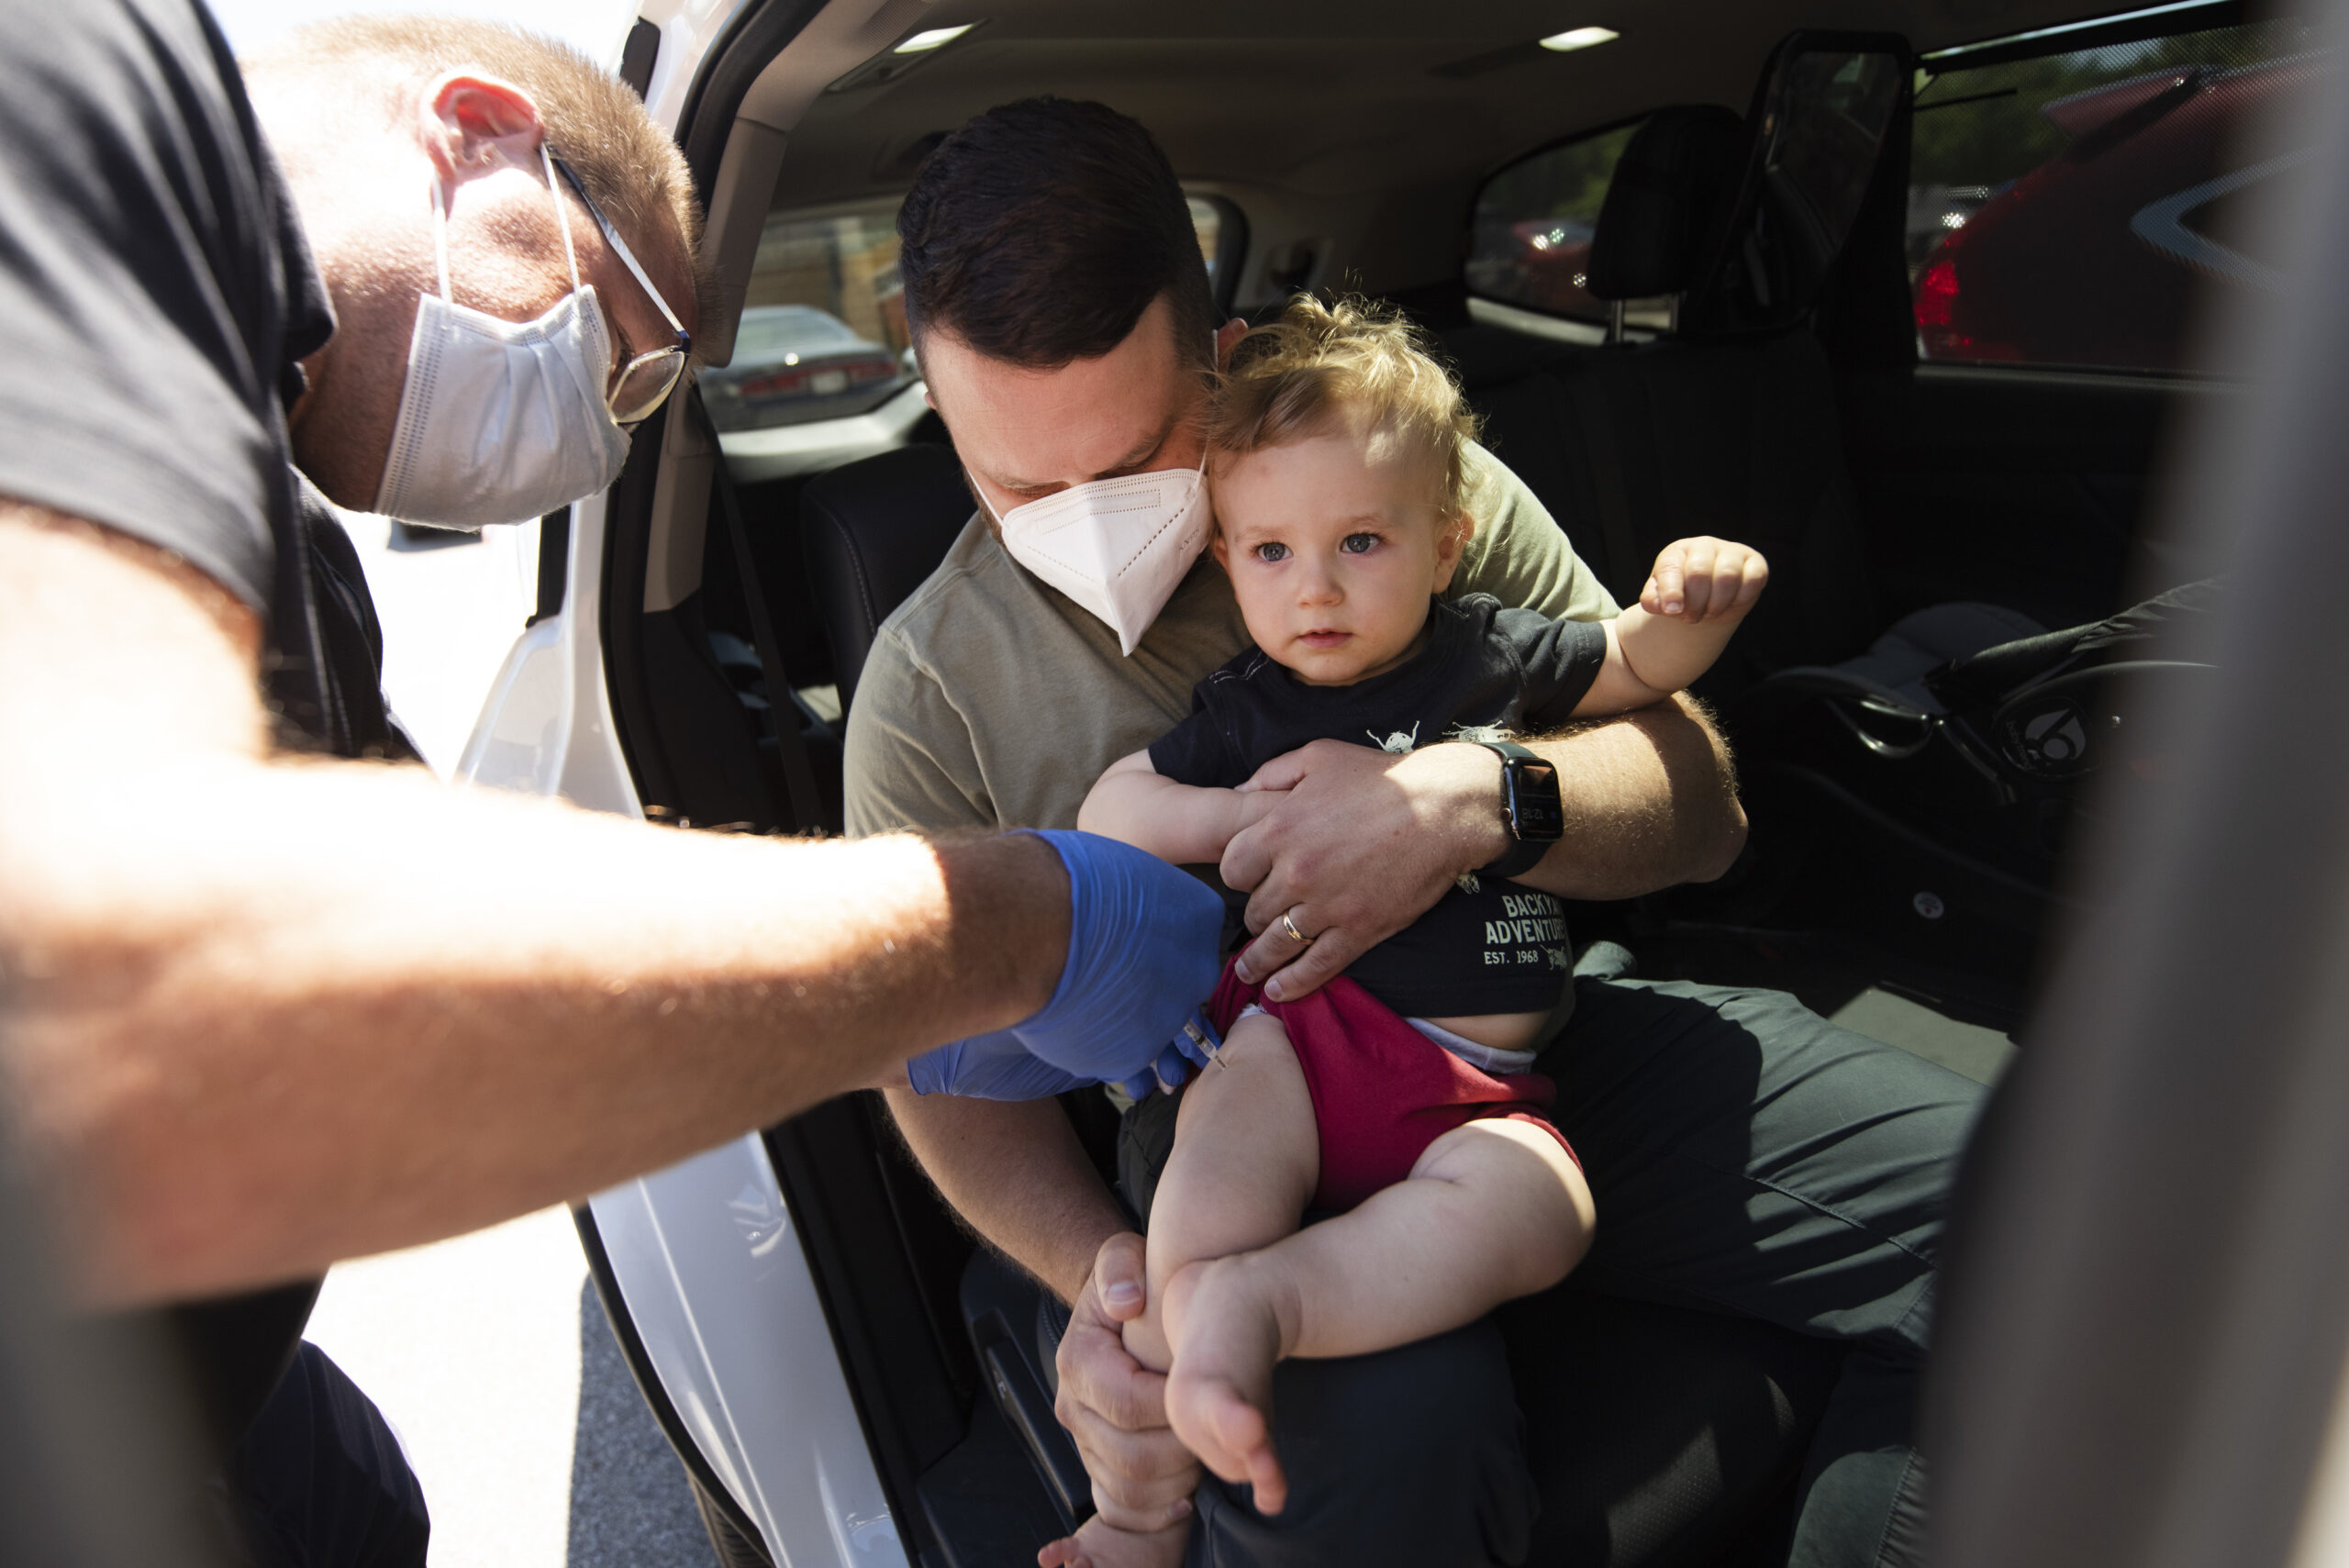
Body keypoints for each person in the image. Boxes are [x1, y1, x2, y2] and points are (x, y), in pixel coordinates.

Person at [0, 7, 1220, 1565]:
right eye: (624, 354)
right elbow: (180, 987)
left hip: (165, 1407)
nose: (597, 436)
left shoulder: (282, 552)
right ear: (478, 132)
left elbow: (416, 997)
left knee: (355, 1496)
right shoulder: (77, 86)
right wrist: (1010, 920)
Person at [852, 95, 1987, 1567]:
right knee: (1352, 1477)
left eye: (1135, 460)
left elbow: (1700, 802)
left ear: (1229, 363)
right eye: (1015, 481)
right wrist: (1107, 1281)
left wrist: (1480, 803)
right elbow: (936, 1067)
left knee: (2031, 1200)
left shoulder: (1381, 483)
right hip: (1236, 1108)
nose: (1082, 520)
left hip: (1517, 1039)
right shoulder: (930, 692)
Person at [1030, 295, 1770, 1568]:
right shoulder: (1244, 710)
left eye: (1360, 541)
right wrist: (1225, 811)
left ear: (1445, 543)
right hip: (1295, 1046)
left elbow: (1641, 668)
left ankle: (1273, 1302)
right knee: (1197, 1203)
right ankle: (1137, 1510)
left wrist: (1699, 596)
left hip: (1482, 1089)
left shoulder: (1492, 657)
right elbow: (1114, 804)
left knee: (1549, 1210)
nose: (1311, 586)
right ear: (1227, 558)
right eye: (1268, 553)